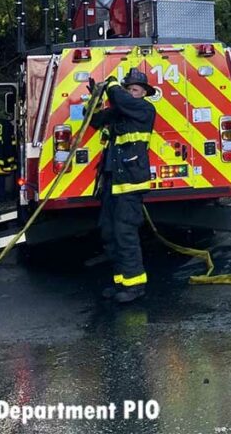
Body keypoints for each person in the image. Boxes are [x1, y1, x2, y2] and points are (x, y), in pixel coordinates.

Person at [86, 68, 156, 303]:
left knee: (125, 233)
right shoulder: (118, 113)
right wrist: (94, 100)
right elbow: (94, 121)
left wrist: (113, 84)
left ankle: (136, 286)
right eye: (128, 88)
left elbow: (121, 98)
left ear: (143, 93)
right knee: (109, 231)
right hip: (112, 182)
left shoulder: (145, 109)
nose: (130, 92)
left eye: (134, 89)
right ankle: (121, 282)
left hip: (130, 183)